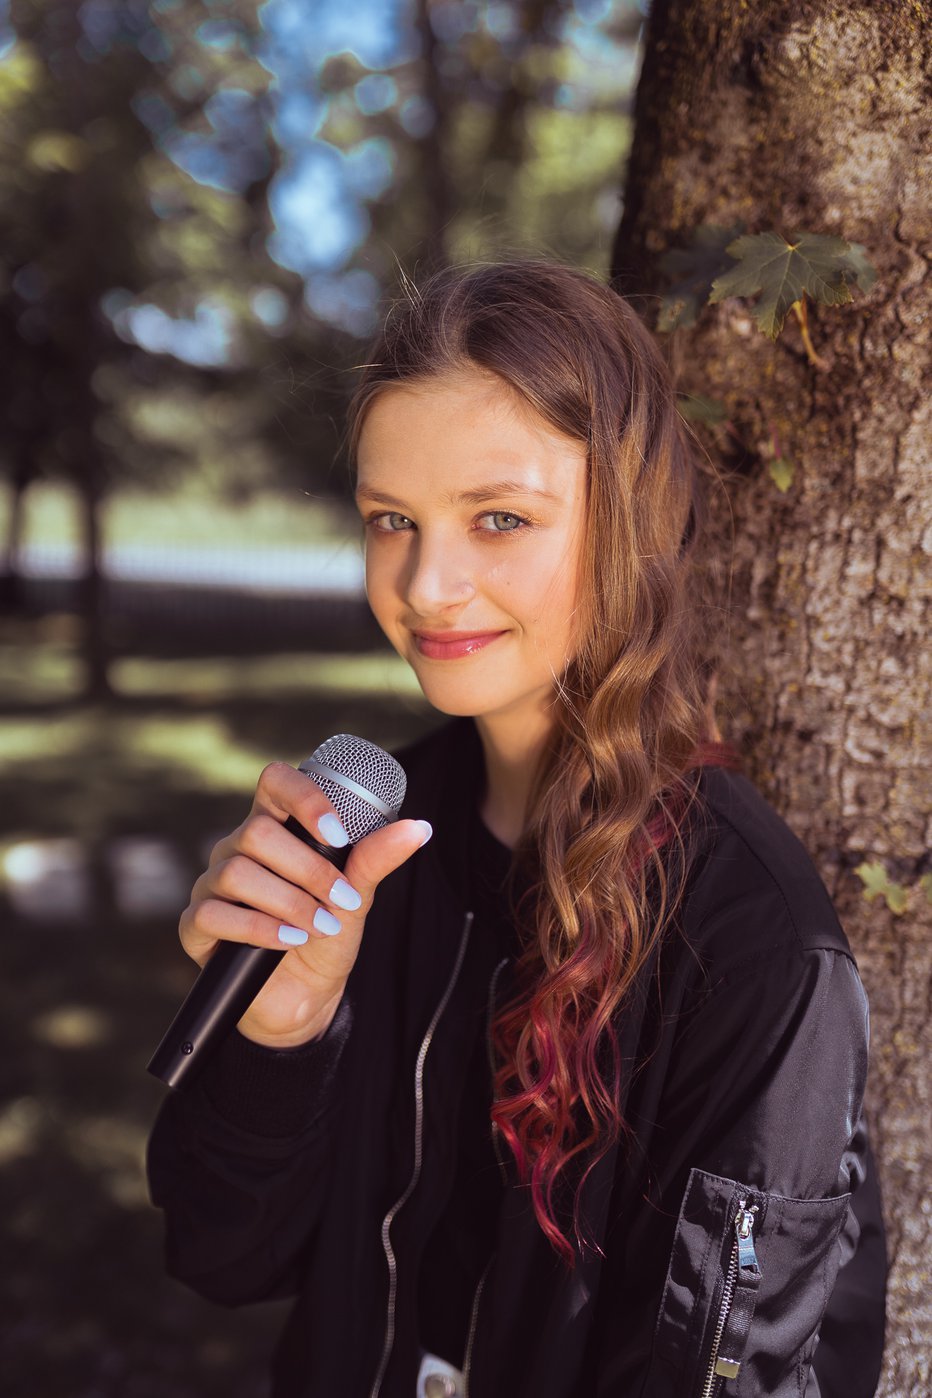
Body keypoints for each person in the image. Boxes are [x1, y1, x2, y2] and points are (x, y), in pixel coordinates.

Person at [147, 259, 887, 1398]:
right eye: (391, 519)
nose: (427, 583)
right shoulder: (363, 843)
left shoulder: (751, 944)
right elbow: (224, 1257)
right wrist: (282, 1040)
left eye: (498, 518)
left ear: (630, 526)